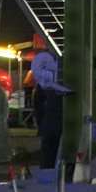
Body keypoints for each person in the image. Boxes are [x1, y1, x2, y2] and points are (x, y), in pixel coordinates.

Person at [26, 32, 68, 175]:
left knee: (49, 154)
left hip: (52, 125)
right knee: (52, 153)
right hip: (57, 126)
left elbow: (38, 102)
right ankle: (50, 176)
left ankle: (48, 176)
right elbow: (38, 102)